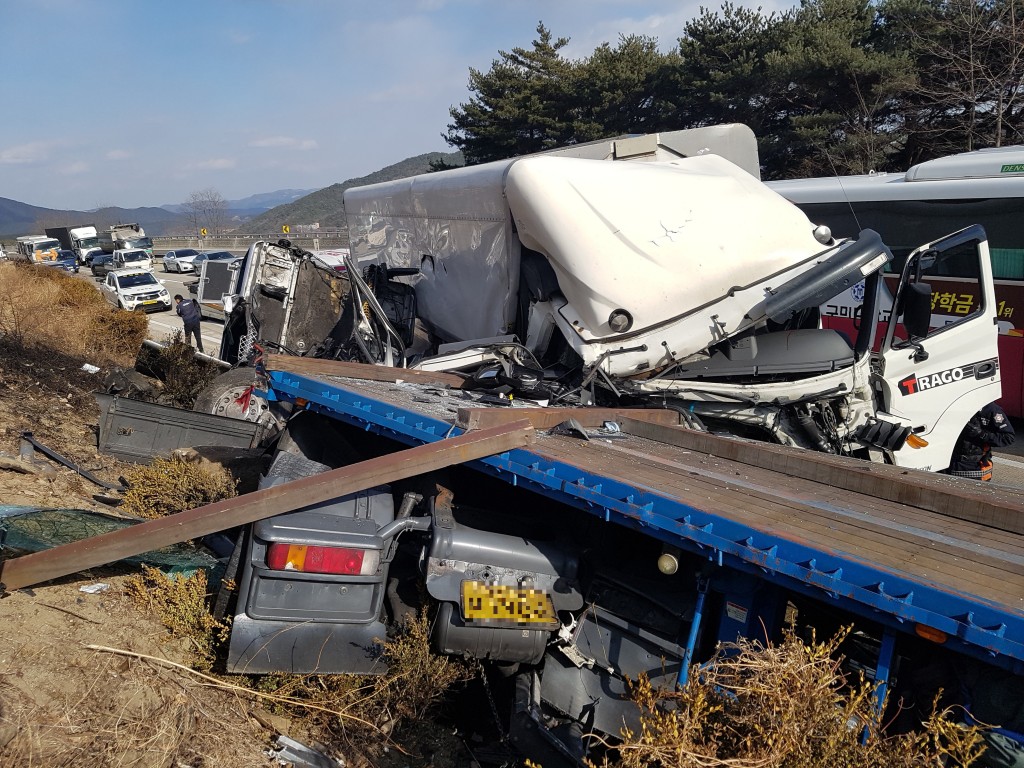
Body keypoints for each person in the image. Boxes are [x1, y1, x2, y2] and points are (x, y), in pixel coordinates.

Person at [948, 402, 1016, 481]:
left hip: (975, 467)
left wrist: (981, 434)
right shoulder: (953, 405)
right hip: (948, 463)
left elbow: (1008, 437)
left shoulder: (991, 409)